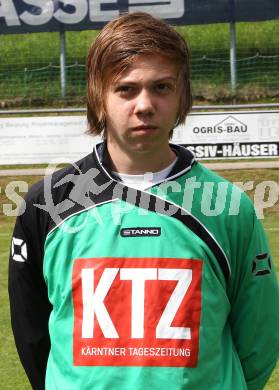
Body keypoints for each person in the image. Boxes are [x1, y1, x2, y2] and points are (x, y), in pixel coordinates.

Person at [9, 11, 278, 390]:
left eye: (162, 87)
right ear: (98, 97)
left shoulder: (228, 206)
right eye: (126, 89)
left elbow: (259, 338)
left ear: (182, 95)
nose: (145, 104)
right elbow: (32, 333)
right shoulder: (47, 204)